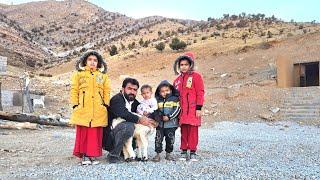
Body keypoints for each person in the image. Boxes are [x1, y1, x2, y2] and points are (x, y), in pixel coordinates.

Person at [69, 51, 110, 165]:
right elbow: (74, 90)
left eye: (95, 60)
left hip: (98, 109)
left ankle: (92, 155)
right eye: (90, 59)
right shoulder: (78, 74)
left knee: (95, 133)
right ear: (85, 61)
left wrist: (105, 104)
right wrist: (75, 104)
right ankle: (84, 156)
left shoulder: (103, 76)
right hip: (83, 108)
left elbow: (106, 91)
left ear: (99, 63)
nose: (92, 62)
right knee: (84, 132)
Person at [103, 78, 155, 163]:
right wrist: (140, 119)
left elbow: (144, 112)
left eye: (135, 90)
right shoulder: (117, 99)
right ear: (123, 89)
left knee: (142, 127)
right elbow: (123, 113)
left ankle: (126, 153)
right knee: (128, 126)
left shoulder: (134, 102)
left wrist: (151, 120)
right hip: (111, 136)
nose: (132, 92)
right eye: (129, 89)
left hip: (124, 134)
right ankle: (113, 154)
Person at [173, 52, 205, 162]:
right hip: (182, 111)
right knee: (184, 130)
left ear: (191, 64)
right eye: (181, 64)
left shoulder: (196, 77)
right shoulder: (177, 80)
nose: (184, 67)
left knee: (193, 130)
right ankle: (183, 151)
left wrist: (199, 108)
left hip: (192, 110)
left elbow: (200, 92)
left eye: (186, 64)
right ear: (179, 66)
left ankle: (192, 152)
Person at [152, 80, 180, 162]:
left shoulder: (175, 99)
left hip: (171, 125)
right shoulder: (157, 100)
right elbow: (155, 110)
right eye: (162, 91)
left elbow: (177, 110)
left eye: (167, 90)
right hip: (160, 125)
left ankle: (168, 154)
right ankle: (157, 154)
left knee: (170, 139)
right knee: (158, 139)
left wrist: (169, 117)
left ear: (171, 90)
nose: (165, 93)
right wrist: (156, 119)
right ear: (159, 92)